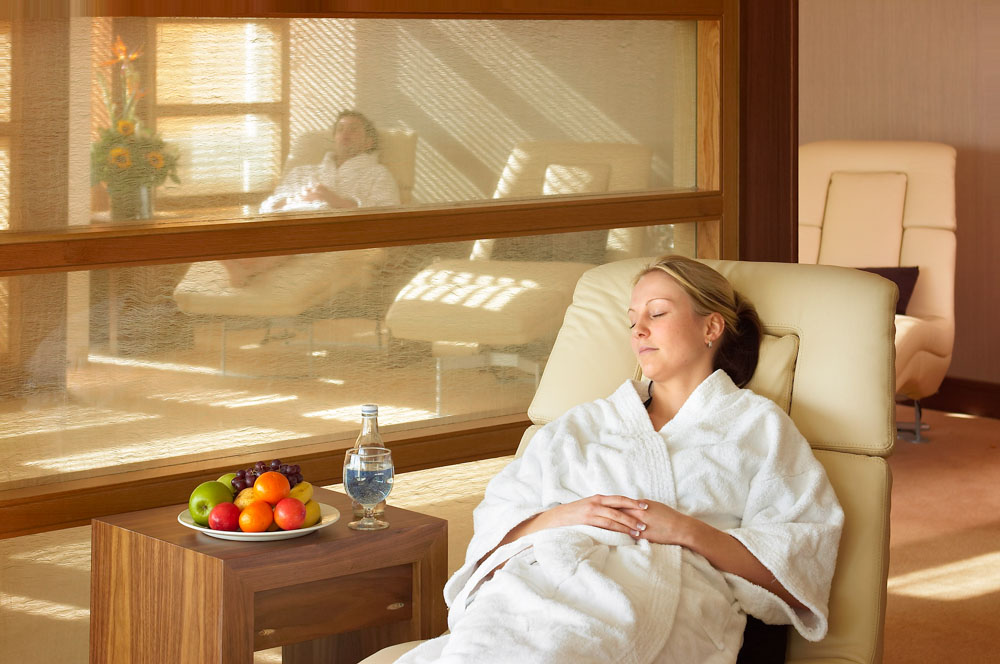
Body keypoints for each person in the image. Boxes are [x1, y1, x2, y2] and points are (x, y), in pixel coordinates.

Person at [396, 255, 844, 664]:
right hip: (536, 587)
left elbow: (798, 556)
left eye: (657, 313)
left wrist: (686, 531)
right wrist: (562, 516)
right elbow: (497, 522)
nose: (638, 331)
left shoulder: (759, 427)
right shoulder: (582, 423)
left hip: (660, 600)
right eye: (632, 320)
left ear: (711, 327)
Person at [224, 110, 401, 287]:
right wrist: (296, 200)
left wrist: (336, 201)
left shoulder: (378, 174)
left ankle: (245, 264)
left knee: (303, 227)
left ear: (369, 142)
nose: (345, 133)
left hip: (338, 233)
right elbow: (267, 208)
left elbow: (387, 219)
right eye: (340, 129)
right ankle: (244, 264)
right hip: (290, 224)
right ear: (334, 139)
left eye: (353, 129)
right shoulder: (303, 172)